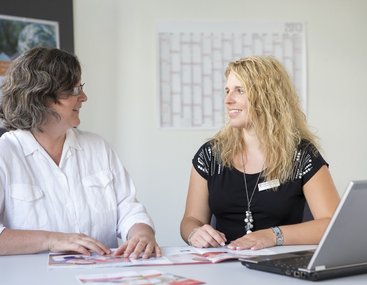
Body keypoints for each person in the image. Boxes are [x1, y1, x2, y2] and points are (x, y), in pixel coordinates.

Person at [0, 47, 161, 258]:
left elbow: (129, 209)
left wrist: (142, 234)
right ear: (40, 97)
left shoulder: (98, 147)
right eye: (74, 90)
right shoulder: (5, 153)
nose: (83, 97)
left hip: (102, 276)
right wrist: (52, 239)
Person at [180, 55, 340, 250]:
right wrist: (195, 233)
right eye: (227, 91)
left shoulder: (302, 155)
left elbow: (332, 224)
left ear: (267, 97)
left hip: (280, 267)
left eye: (239, 91)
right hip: (223, 266)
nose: (228, 100)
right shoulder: (210, 155)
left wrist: (273, 235)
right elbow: (191, 219)